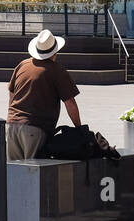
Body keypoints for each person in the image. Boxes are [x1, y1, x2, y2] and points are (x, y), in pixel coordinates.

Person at [6, 28, 81, 160]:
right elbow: (70, 104)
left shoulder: (22, 65)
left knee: (13, 172)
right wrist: (79, 128)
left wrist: (12, 117)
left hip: (12, 126)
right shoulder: (57, 70)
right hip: (35, 127)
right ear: (55, 51)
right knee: (33, 173)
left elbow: (12, 94)